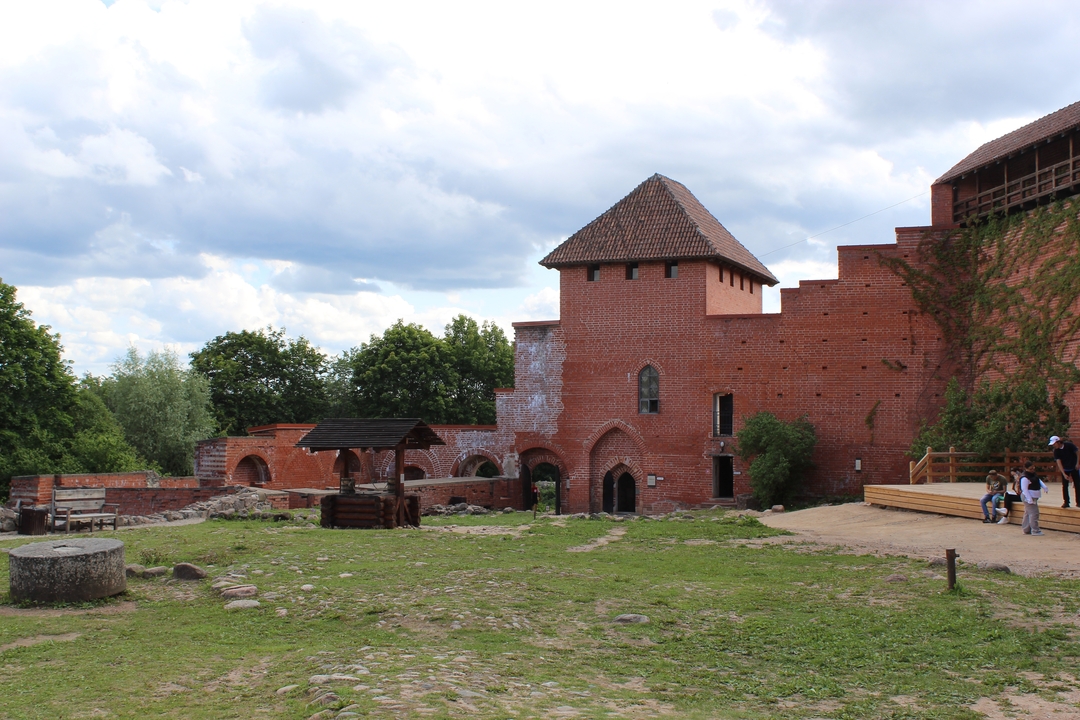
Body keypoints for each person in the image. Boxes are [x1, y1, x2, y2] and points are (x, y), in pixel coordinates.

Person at [1049, 435, 1080, 508]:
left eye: (1054, 444)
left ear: (1058, 442)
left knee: (1077, 485)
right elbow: (1059, 462)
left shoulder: (1069, 445)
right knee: (1065, 486)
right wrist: (1063, 473)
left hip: (1074, 467)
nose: (1054, 446)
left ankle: (1078, 502)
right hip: (1065, 468)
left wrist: (1077, 463)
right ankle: (1066, 502)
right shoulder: (1056, 451)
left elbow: (1078, 452)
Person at [1020, 460, 1048, 536]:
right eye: (1030, 469)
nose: (1032, 470)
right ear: (1026, 468)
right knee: (1034, 513)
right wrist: (1029, 499)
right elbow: (1024, 489)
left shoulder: (1033, 475)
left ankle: (1026, 529)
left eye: (1033, 468)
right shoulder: (1024, 477)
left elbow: (1038, 480)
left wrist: (1044, 487)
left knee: (1027, 513)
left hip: (1034, 496)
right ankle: (1035, 530)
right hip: (1029, 497)